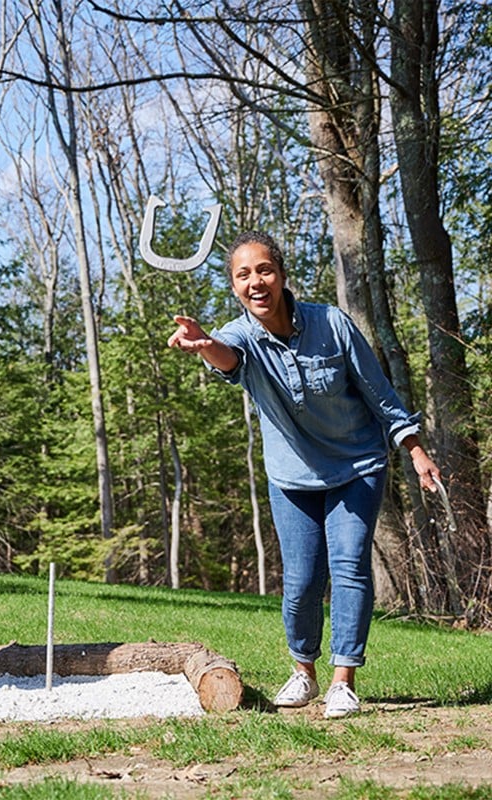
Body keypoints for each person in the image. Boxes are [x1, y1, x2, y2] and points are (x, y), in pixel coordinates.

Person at [167, 231, 441, 719]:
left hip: (356, 466)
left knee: (350, 565)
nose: (256, 281)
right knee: (300, 582)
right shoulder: (239, 336)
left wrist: (415, 449)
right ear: (234, 286)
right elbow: (227, 358)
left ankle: (343, 680)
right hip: (292, 478)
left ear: (282, 274)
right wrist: (203, 344)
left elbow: (379, 392)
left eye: (264, 270)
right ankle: (304, 672)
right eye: (243, 274)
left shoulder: (331, 323)